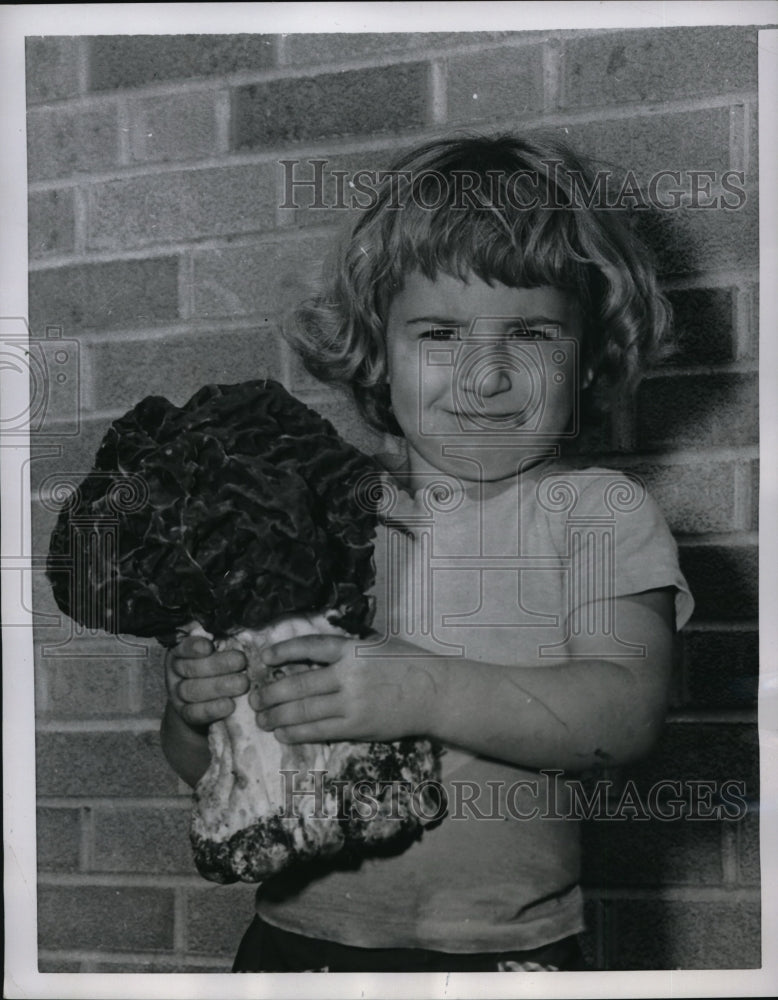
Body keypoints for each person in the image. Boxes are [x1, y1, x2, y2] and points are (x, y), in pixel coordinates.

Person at [160, 133, 694, 972]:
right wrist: (200, 712)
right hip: (296, 948)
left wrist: (427, 691)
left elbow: (624, 715)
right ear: (380, 350)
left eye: (530, 332)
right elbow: (209, 766)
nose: (486, 376)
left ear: (589, 357)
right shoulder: (311, 514)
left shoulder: (599, 514)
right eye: (440, 333)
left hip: (501, 956)